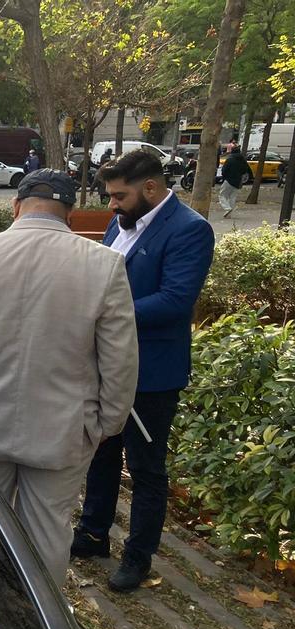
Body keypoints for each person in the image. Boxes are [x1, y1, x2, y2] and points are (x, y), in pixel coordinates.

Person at [0, 170, 138, 588]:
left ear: (16, 205)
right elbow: (120, 360)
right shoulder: (104, 264)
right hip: (62, 427)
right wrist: (105, 425)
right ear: (70, 213)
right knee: (48, 532)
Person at [72, 149, 215, 592]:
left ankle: (138, 555)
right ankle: (94, 533)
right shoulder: (122, 221)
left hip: (152, 371)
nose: (111, 206)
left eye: (119, 196)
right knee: (101, 450)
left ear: (150, 188)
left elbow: (175, 300)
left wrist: (106, 315)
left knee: (146, 466)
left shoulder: (191, 230)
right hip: (107, 363)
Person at [218, 143, 250, 218]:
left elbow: (224, 170)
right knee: (232, 197)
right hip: (238, 180)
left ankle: (227, 208)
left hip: (229, 180)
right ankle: (229, 213)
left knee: (222, 195)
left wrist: (224, 176)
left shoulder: (230, 159)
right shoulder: (242, 160)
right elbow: (245, 169)